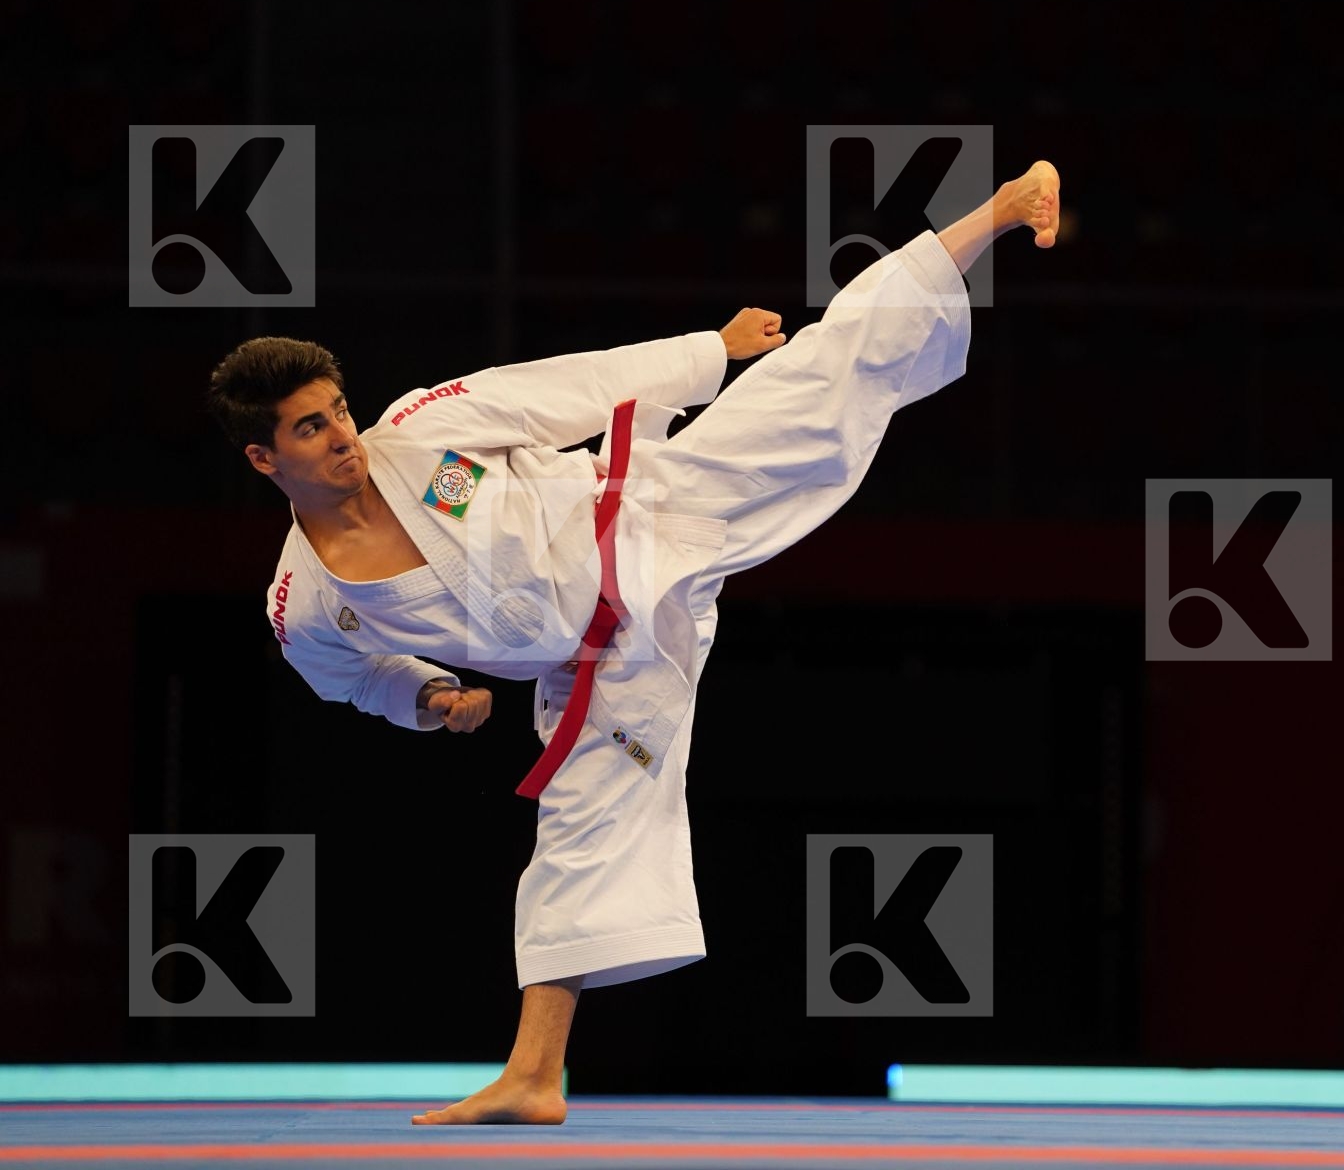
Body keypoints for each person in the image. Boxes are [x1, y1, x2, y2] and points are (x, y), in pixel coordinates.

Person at [204, 161, 1061, 1124]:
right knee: (579, 826)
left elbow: (568, 389)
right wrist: (428, 699)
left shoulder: (421, 428)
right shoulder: (305, 604)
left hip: (651, 510)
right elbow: (351, 682)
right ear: (263, 457)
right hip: (608, 657)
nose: (341, 436)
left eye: (337, 411)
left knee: (821, 376)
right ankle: (535, 1075)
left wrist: (713, 352)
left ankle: (997, 209)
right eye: (310, 429)